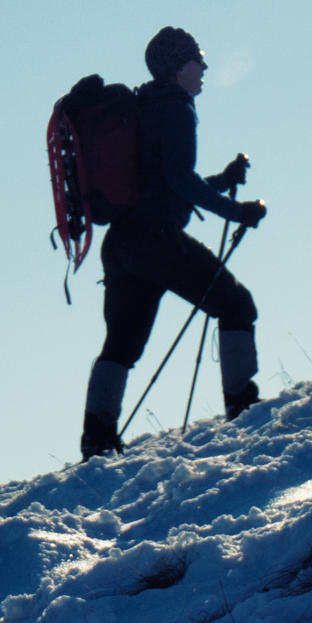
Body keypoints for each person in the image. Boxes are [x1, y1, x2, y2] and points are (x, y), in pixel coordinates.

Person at [81, 27, 267, 460]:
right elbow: (180, 180)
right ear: (178, 67)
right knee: (237, 305)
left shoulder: (145, 105)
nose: (204, 67)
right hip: (156, 241)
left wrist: (222, 180)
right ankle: (244, 411)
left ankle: (97, 440)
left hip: (122, 245)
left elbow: (164, 182)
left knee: (122, 345)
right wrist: (237, 211)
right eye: (197, 59)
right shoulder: (176, 107)